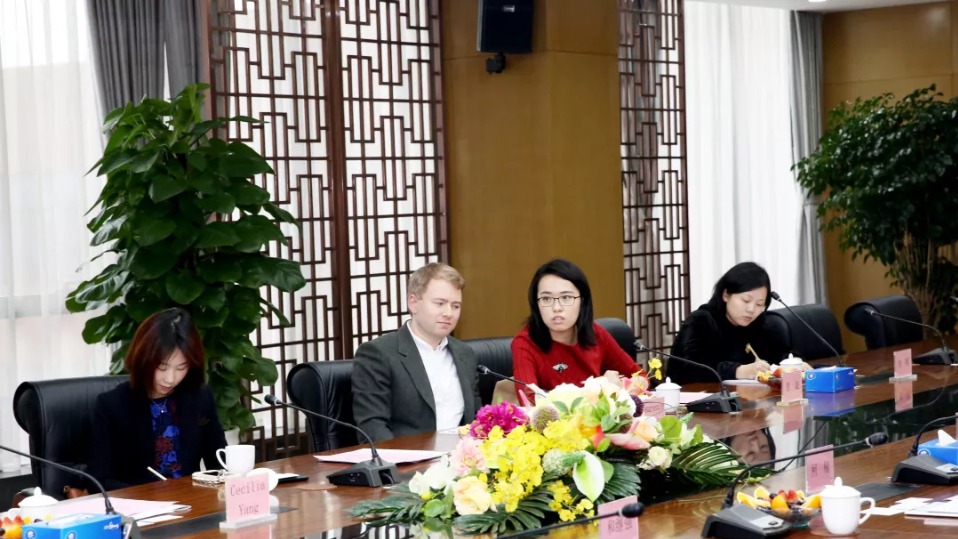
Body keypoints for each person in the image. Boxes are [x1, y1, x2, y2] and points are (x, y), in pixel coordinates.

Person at [88, 308, 226, 491]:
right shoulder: (112, 405)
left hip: (192, 501)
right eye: (162, 367)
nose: (170, 379)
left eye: (181, 368)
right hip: (138, 504)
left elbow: (219, 463)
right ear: (144, 359)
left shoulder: (199, 397)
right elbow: (99, 481)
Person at [352, 263, 482, 442]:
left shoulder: (464, 353)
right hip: (409, 456)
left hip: (462, 455)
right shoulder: (378, 354)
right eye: (440, 303)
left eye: (455, 306)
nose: (448, 313)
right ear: (413, 303)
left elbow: (476, 419)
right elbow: (373, 427)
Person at [512, 259, 648, 392]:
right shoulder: (525, 344)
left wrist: (621, 388)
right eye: (546, 298)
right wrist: (602, 390)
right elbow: (528, 400)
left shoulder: (595, 334)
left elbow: (641, 377)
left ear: (582, 301)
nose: (556, 308)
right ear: (536, 303)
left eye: (566, 297)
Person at [668, 261, 793, 384]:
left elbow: (779, 354)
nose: (751, 309)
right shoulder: (701, 321)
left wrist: (793, 363)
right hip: (696, 394)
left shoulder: (758, 323)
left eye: (759, 304)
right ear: (726, 295)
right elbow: (689, 368)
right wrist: (738, 371)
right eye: (746, 300)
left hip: (744, 395)